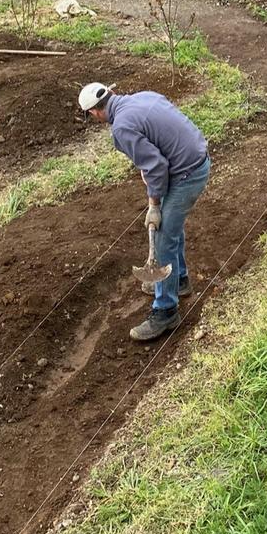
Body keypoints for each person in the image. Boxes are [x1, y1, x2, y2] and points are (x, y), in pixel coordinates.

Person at [79, 82, 212, 341]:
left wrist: (153, 206)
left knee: (163, 238)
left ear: (95, 112)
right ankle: (180, 279)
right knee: (171, 228)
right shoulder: (143, 96)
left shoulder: (121, 128)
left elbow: (156, 167)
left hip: (188, 173)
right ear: (111, 93)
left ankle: (166, 312)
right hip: (196, 158)